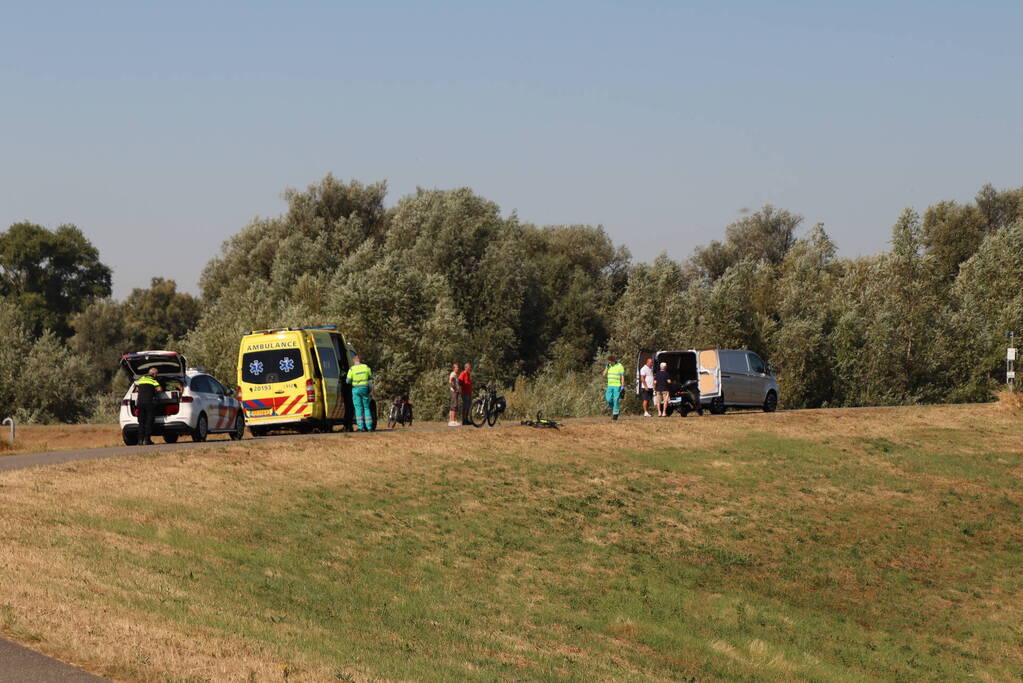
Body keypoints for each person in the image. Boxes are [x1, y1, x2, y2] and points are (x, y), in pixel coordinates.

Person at [345, 355, 373, 431]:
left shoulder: (352, 369)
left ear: (354, 361)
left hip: (356, 390)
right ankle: (369, 427)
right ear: (360, 360)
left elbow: (348, 381)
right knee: (366, 408)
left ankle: (361, 428)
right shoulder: (366, 367)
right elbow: (370, 377)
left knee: (358, 409)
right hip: (364, 389)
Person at [135, 367, 162, 445]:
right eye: (156, 374)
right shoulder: (153, 380)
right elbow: (160, 389)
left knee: (141, 422)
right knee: (149, 421)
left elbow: (136, 389)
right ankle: (147, 440)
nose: (156, 375)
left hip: (140, 403)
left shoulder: (141, 379)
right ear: (154, 374)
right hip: (149, 402)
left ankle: (140, 441)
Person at [602, 355, 626, 421]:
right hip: (609, 386)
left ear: (613, 361)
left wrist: (622, 386)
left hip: (617, 386)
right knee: (608, 399)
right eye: (608, 361)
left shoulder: (620, 366)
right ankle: (616, 409)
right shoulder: (608, 366)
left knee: (616, 400)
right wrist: (606, 368)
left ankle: (615, 415)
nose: (608, 362)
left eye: (609, 361)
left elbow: (622, 376)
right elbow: (603, 374)